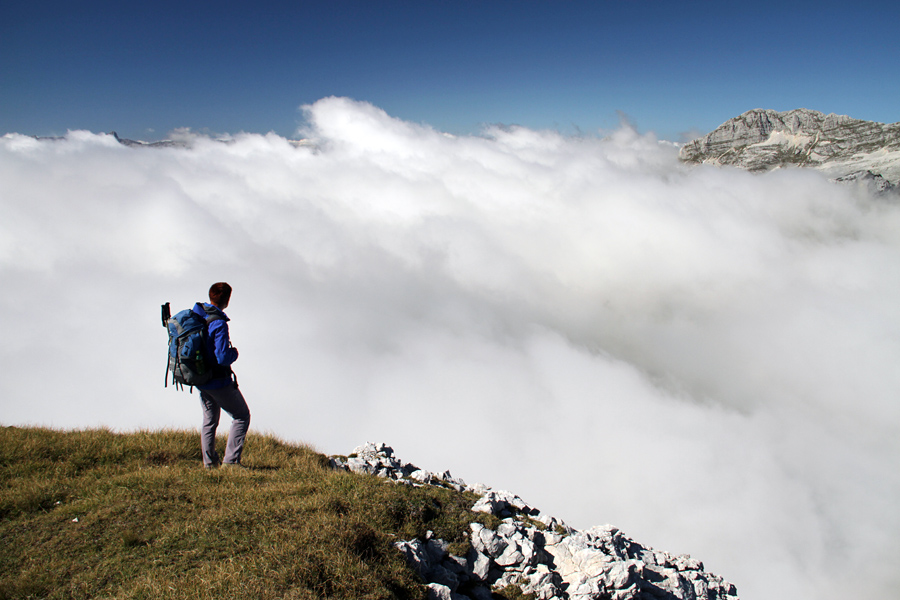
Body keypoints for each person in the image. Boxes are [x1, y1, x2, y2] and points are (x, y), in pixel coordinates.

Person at [193, 282, 251, 468]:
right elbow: (222, 357)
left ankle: (209, 464)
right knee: (241, 415)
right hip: (218, 381)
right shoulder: (218, 323)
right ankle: (231, 462)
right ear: (227, 299)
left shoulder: (198, 315)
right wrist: (235, 352)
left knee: (209, 421)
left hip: (201, 378)